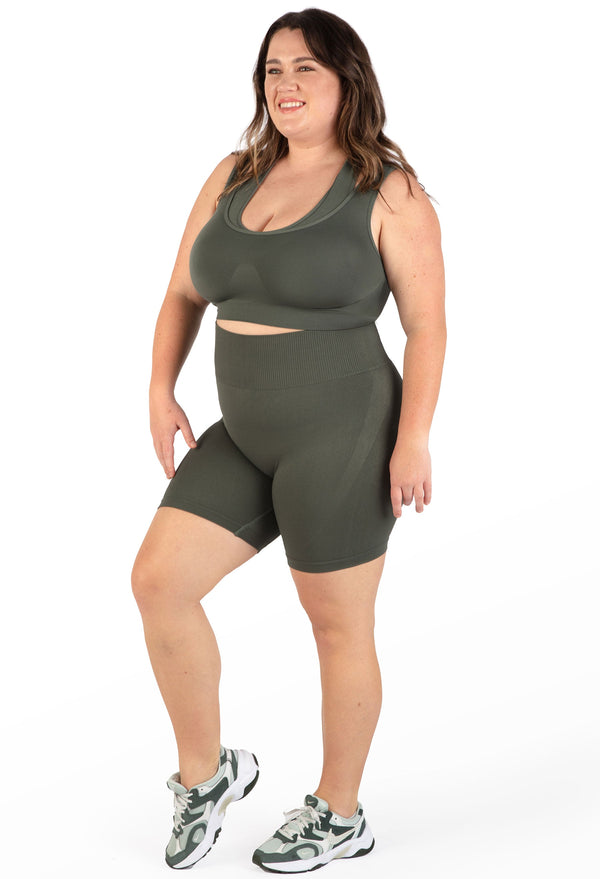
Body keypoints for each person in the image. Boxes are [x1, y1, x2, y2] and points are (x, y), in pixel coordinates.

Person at [131, 7, 446, 874]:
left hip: (344, 434)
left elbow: (427, 327)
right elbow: (182, 292)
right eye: (273, 69)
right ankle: (208, 776)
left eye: (307, 67)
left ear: (348, 80)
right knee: (158, 582)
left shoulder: (389, 190)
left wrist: (413, 436)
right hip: (245, 431)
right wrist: (159, 388)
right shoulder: (234, 174)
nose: (286, 84)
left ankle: (339, 812)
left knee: (335, 625)